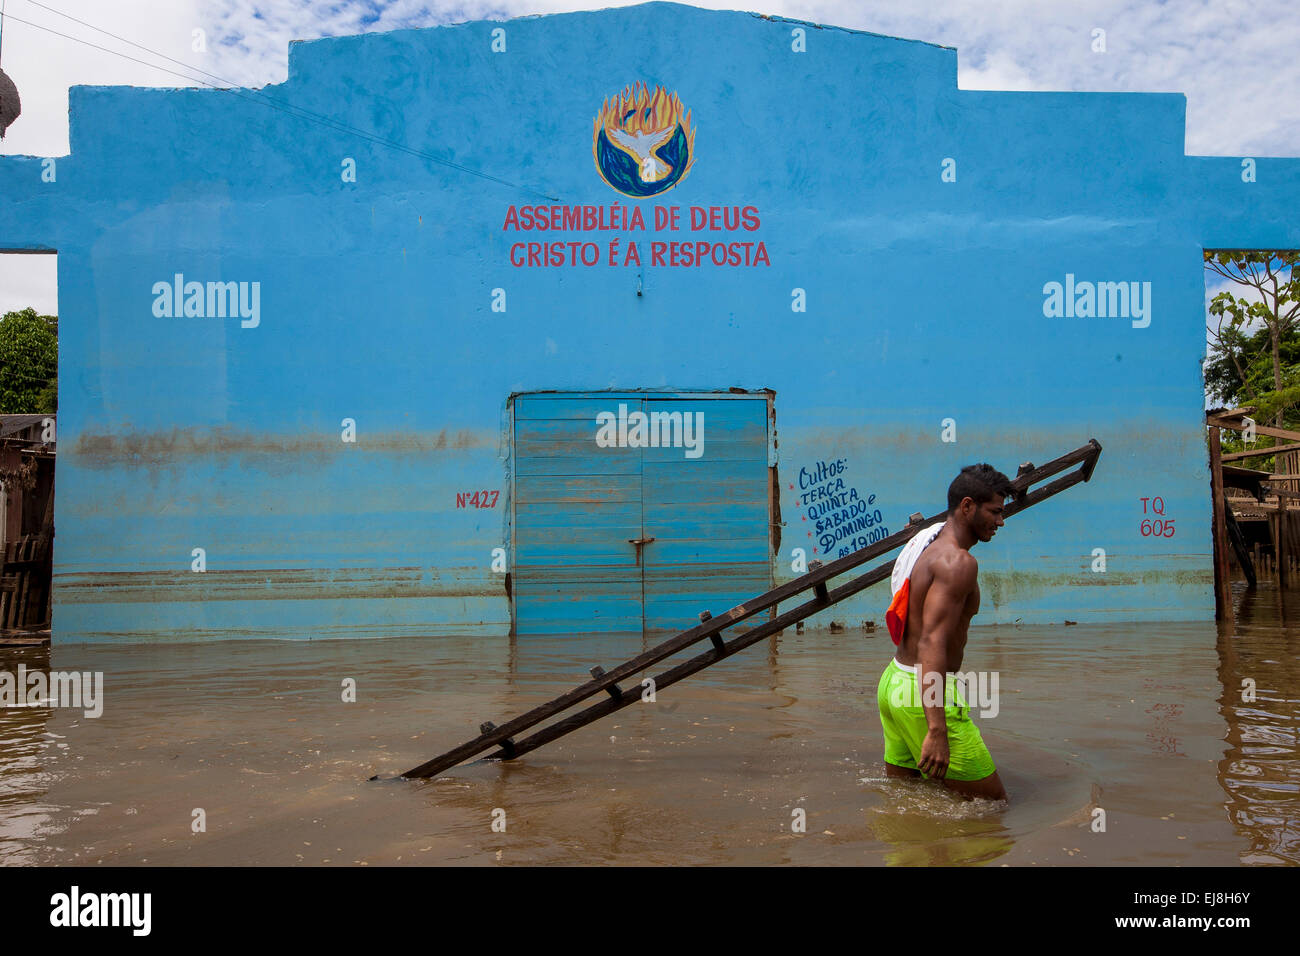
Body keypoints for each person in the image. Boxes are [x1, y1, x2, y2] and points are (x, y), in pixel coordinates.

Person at [877, 463, 1012, 801]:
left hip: (894, 682)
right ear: (967, 506)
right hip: (923, 692)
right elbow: (932, 640)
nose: (1001, 521)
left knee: (906, 802)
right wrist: (937, 728)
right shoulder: (958, 563)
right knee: (992, 810)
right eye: (995, 512)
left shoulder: (929, 542)